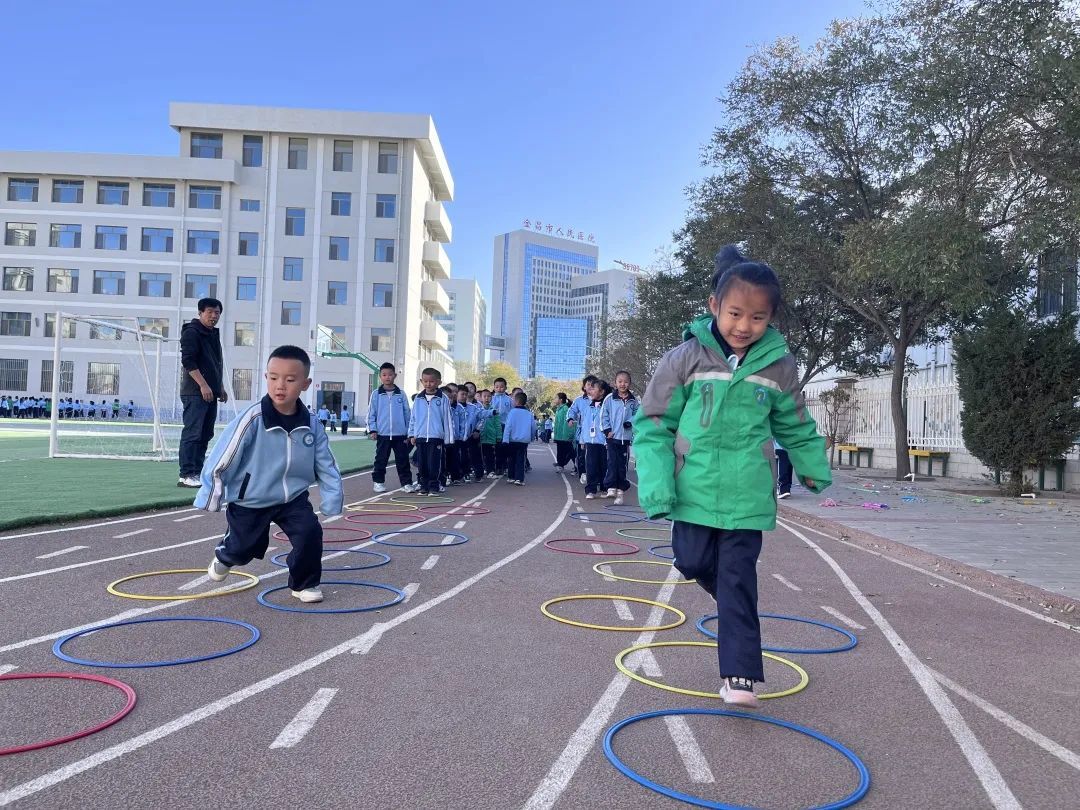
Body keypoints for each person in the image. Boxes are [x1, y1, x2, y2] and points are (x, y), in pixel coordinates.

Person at [634, 245, 831, 708]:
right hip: (694, 489)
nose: (744, 326)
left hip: (748, 495)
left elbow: (795, 424)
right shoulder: (683, 359)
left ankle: (740, 673)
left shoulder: (779, 366)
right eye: (736, 313)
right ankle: (732, 608)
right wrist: (658, 484)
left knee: (738, 578)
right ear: (714, 307)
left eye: (758, 318)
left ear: (772, 319)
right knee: (694, 562)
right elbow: (654, 423)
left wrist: (812, 466)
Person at [195, 345, 342, 604]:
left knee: (310, 533)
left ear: (305, 384)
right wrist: (211, 494)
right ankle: (225, 555)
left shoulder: (312, 424)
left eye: (290, 379)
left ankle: (304, 583)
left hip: (292, 498)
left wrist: (332, 499)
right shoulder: (253, 419)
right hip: (252, 499)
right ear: (266, 378)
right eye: (273, 378)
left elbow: (326, 465)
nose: (280, 385)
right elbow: (224, 457)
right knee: (243, 550)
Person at [179, 298, 227, 488]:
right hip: (195, 392)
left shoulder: (212, 334)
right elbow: (188, 362)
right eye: (210, 312)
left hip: (210, 392)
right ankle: (186, 474)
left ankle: (197, 472)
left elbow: (215, 364)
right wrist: (203, 385)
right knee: (193, 433)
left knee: (205, 434)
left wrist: (219, 386)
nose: (214, 316)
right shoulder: (192, 332)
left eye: (217, 313)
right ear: (200, 313)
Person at [367, 362, 415, 494]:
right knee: (381, 459)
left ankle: (407, 483)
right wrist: (373, 429)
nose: (387, 377)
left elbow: (407, 414)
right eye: (384, 375)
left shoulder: (401, 394)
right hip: (383, 434)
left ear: (395, 376)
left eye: (390, 374)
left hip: (400, 435)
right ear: (380, 377)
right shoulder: (376, 394)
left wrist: (409, 432)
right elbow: (372, 413)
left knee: (403, 460)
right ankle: (378, 482)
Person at [408, 367, 454, 496]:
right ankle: (424, 486)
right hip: (421, 436)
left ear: (439, 382)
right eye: (425, 381)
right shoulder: (418, 398)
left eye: (432, 381)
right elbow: (413, 418)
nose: (428, 384)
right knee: (422, 464)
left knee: (434, 463)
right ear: (421, 381)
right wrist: (412, 434)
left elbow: (448, 419)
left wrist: (449, 439)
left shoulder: (443, 398)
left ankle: (434, 486)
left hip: (436, 436)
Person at [601, 371, 638, 505]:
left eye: (626, 381)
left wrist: (631, 422)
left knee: (622, 465)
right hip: (612, 437)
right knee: (612, 462)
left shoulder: (633, 401)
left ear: (629, 383)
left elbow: (638, 414)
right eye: (620, 381)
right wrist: (607, 430)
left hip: (626, 438)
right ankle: (610, 487)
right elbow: (603, 415)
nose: (623, 384)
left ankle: (621, 491)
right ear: (615, 383)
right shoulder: (609, 398)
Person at [580, 379, 609, 499]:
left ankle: (604, 487)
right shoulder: (588, 406)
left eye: (593, 389)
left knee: (604, 465)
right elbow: (585, 424)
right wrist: (582, 439)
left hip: (603, 441)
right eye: (589, 388)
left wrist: (608, 440)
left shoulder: (607, 405)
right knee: (590, 466)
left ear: (602, 392)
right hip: (590, 442)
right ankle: (591, 489)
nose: (590, 391)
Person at [566, 375, 597, 482]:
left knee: (595, 457)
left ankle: (594, 476)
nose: (591, 386)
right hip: (582, 434)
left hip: (597, 435)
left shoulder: (601, 399)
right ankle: (583, 473)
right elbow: (572, 410)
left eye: (593, 384)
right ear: (584, 387)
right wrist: (570, 419)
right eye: (588, 384)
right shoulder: (579, 400)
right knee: (581, 456)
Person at [502, 391, 533, 485]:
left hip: (512, 440)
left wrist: (505, 439)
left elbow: (508, 426)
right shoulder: (529, 414)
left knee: (511, 458)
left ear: (516, 401)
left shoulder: (512, 412)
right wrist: (531, 437)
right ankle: (519, 478)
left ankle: (511, 477)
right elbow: (533, 427)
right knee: (521, 459)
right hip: (523, 440)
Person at [490, 378, 513, 476]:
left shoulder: (509, 400)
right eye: (497, 387)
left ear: (506, 387)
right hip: (493, 426)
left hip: (504, 426)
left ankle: (502, 466)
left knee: (503, 447)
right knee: (493, 447)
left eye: (502, 387)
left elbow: (512, 413)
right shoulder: (491, 398)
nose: (499, 389)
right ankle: (494, 467)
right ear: (494, 388)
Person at [477, 389, 500, 478]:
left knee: (490, 455)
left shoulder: (494, 410)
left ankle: (491, 471)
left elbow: (497, 424)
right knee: (480, 455)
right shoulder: (478, 409)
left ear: (491, 398)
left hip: (491, 437)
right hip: (480, 437)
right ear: (481, 398)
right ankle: (481, 470)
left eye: (489, 396)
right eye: (484, 396)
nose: (487, 398)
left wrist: (498, 436)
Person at [552, 392, 575, 472]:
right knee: (561, 451)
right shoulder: (559, 409)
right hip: (559, 435)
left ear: (561, 400)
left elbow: (568, 423)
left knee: (570, 452)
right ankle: (561, 465)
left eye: (556, 398)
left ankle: (577, 466)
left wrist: (568, 435)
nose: (555, 399)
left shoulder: (565, 409)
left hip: (565, 436)